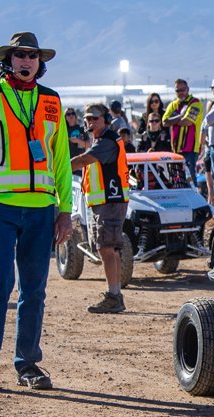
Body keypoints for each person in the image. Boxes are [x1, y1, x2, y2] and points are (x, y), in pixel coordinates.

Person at [0, 31, 72, 391]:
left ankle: (28, 366)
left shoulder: (52, 101)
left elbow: (62, 159)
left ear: (40, 63)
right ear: (8, 60)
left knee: (34, 290)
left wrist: (65, 209)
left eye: (33, 56)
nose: (26, 61)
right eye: (20, 55)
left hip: (41, 209)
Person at [70, 103, 130, 314]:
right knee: (109, 248)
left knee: (106, 247)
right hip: (107, 202)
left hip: (110, 203)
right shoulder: (102, 139)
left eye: (95, 118)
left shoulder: (106, 141)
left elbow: (84, 160)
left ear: (105, 119)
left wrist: (56, 168)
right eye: (87, 118)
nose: (90, 122)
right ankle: (114, 294)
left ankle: (114, 295)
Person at [162, 79, 205, 181]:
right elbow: (164, 122)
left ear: (188, 89)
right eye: (178, 91)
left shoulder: (195, 103)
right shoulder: (173, 104)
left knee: (190, 179)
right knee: (176, 179)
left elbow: (187, 121)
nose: (181, 93)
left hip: (190, 149)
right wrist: (181, 116)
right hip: (175, 149)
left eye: (183, 90)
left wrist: (173, 119)